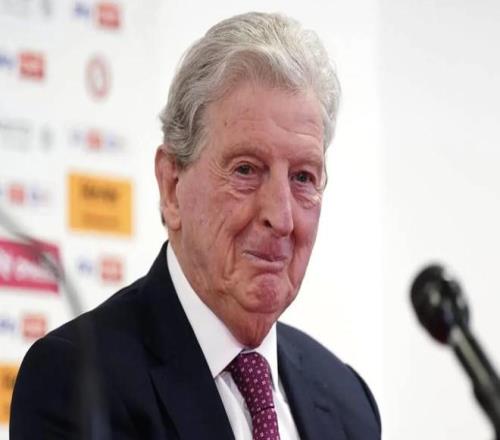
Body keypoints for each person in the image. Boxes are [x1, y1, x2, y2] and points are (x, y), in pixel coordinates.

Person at [10, 11, 381, 440]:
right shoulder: (75, 384)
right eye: (246, 170)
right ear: (171, 186)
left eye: (303, 177)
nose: (281, 218)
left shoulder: (348, 403)